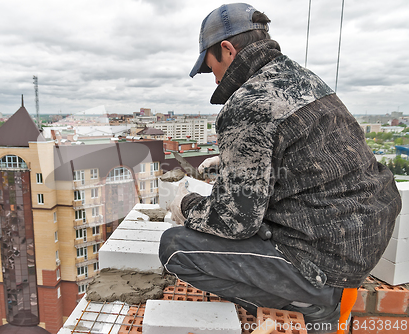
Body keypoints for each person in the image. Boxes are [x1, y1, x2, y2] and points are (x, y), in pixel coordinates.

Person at [159, 3, 401, 334]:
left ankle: (308, 303)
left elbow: (234, 222)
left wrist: (184, 206)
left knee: (175, 247)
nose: (212, 77)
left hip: (322, 260)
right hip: (359, 237)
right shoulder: (301, 79)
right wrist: (233, 163)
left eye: (209, 66)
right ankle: (313, 292)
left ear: (227, 50)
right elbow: (305, 157)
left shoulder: (248, 101)